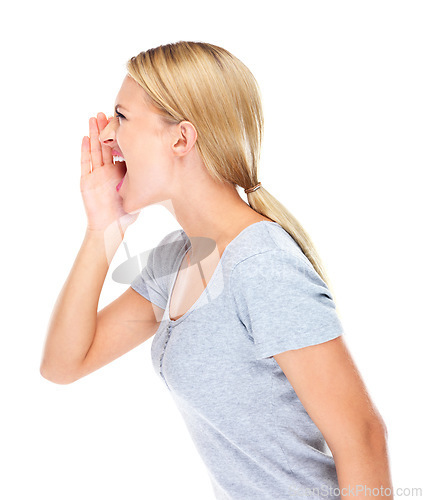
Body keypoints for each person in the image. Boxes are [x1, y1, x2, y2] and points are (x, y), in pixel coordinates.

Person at [40, 41, 393, 499]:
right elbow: (64, 364)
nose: (107, 134)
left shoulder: (261, 264)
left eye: (122, 117)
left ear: (181, 139)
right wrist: (103, 230)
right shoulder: (178, 259)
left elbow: (363, 438)